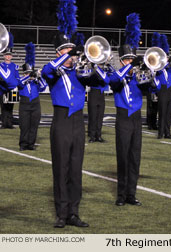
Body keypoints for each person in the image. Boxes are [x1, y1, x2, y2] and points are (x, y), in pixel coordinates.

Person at [41, 0, 110, 228]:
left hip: (78, 122)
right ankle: (61, 213)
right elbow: (46, 70)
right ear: (60, 52)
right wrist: (67, 55)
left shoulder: (82, 73)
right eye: (65, 51)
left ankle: (73, 212)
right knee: (60, 168)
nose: (70, 55)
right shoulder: (55, 72)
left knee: (76, 168)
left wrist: (91, 61)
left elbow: (102, 81)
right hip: (61, 121)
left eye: (71, 50)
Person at [108, 13, 159, 206]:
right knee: (122, 157)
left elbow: (154, 87)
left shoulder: (139, 76)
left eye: (132, 59)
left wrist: (150, 73)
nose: (131, 62)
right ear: (122, 61)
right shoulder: (116, 74)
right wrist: (128, 69)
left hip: (136, 118)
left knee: (135, 157)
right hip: (122, 118)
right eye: (127, 60)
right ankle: (121, 195)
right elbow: (113, 82)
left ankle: (131, 194)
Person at [18, 42, 47, 151]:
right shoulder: (22, 80)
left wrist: (37, 78)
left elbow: (43, 87)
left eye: (30, 73)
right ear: (24, 73)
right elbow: (19, 83)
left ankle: (31, 144)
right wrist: (28, 77)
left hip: (35, 104)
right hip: (24, 104)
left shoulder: (35, 82)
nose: (29, 75)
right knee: (24, 125)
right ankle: (23, 144)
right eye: (27, 73)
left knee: (34, 125)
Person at [0, 32, 19, 129]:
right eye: (6, 55)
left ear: (11, 56)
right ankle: (4, 123)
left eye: (9, 55)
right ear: (4, 56)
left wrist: (17, 86)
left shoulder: (15, 66)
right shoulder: (0, 66)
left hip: (12, 89)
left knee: (10, 107)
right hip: (2, 89)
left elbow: (17, 77)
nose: (8, 56)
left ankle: (10, 124)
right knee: (3, 107)